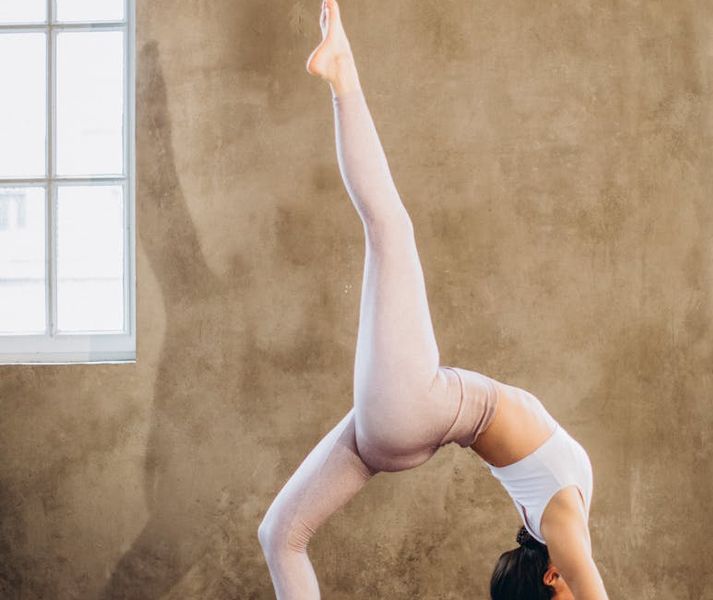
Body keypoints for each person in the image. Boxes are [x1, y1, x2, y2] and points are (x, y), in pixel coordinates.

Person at [258, 2, 609, 598]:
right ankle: (341, 71)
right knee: (279, 535)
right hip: (404, 421)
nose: (576, 581)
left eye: (566, 590)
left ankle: (344, 76)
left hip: (418, 406)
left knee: (389, 227)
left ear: (554, 576)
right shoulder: (553, 522)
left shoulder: (562, 527)